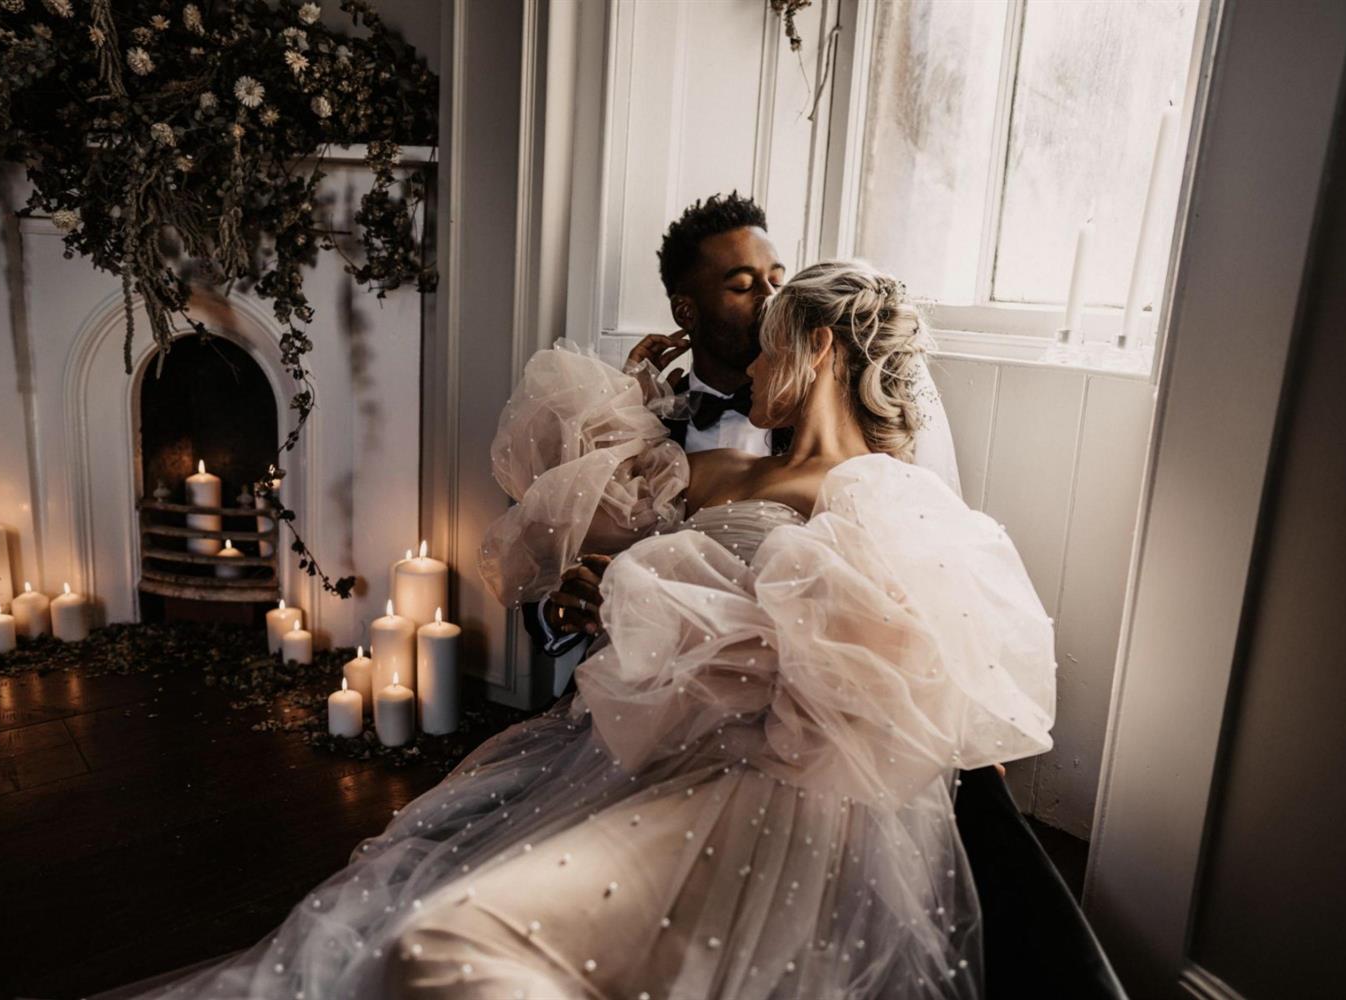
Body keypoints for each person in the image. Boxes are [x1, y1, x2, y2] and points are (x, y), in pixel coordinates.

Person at [103, 259, 1053, 1000]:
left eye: (768, 346)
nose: (753, 364)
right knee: (412, 932)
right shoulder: (713, 476)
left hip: (768, 787)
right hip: (627, 751)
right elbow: (632, 588)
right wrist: (593, 597)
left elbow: (871, 686)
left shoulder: (889, 502)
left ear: (817, 351)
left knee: (445, 950)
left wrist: (656, 611)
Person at [530, 193, 960, 671]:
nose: (770, 300)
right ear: (685, 312)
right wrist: (567, 607)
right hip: (628, 693)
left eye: (777, 281)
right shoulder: (644, 434)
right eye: (742, 286)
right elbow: (550, 555)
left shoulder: (871, 484)